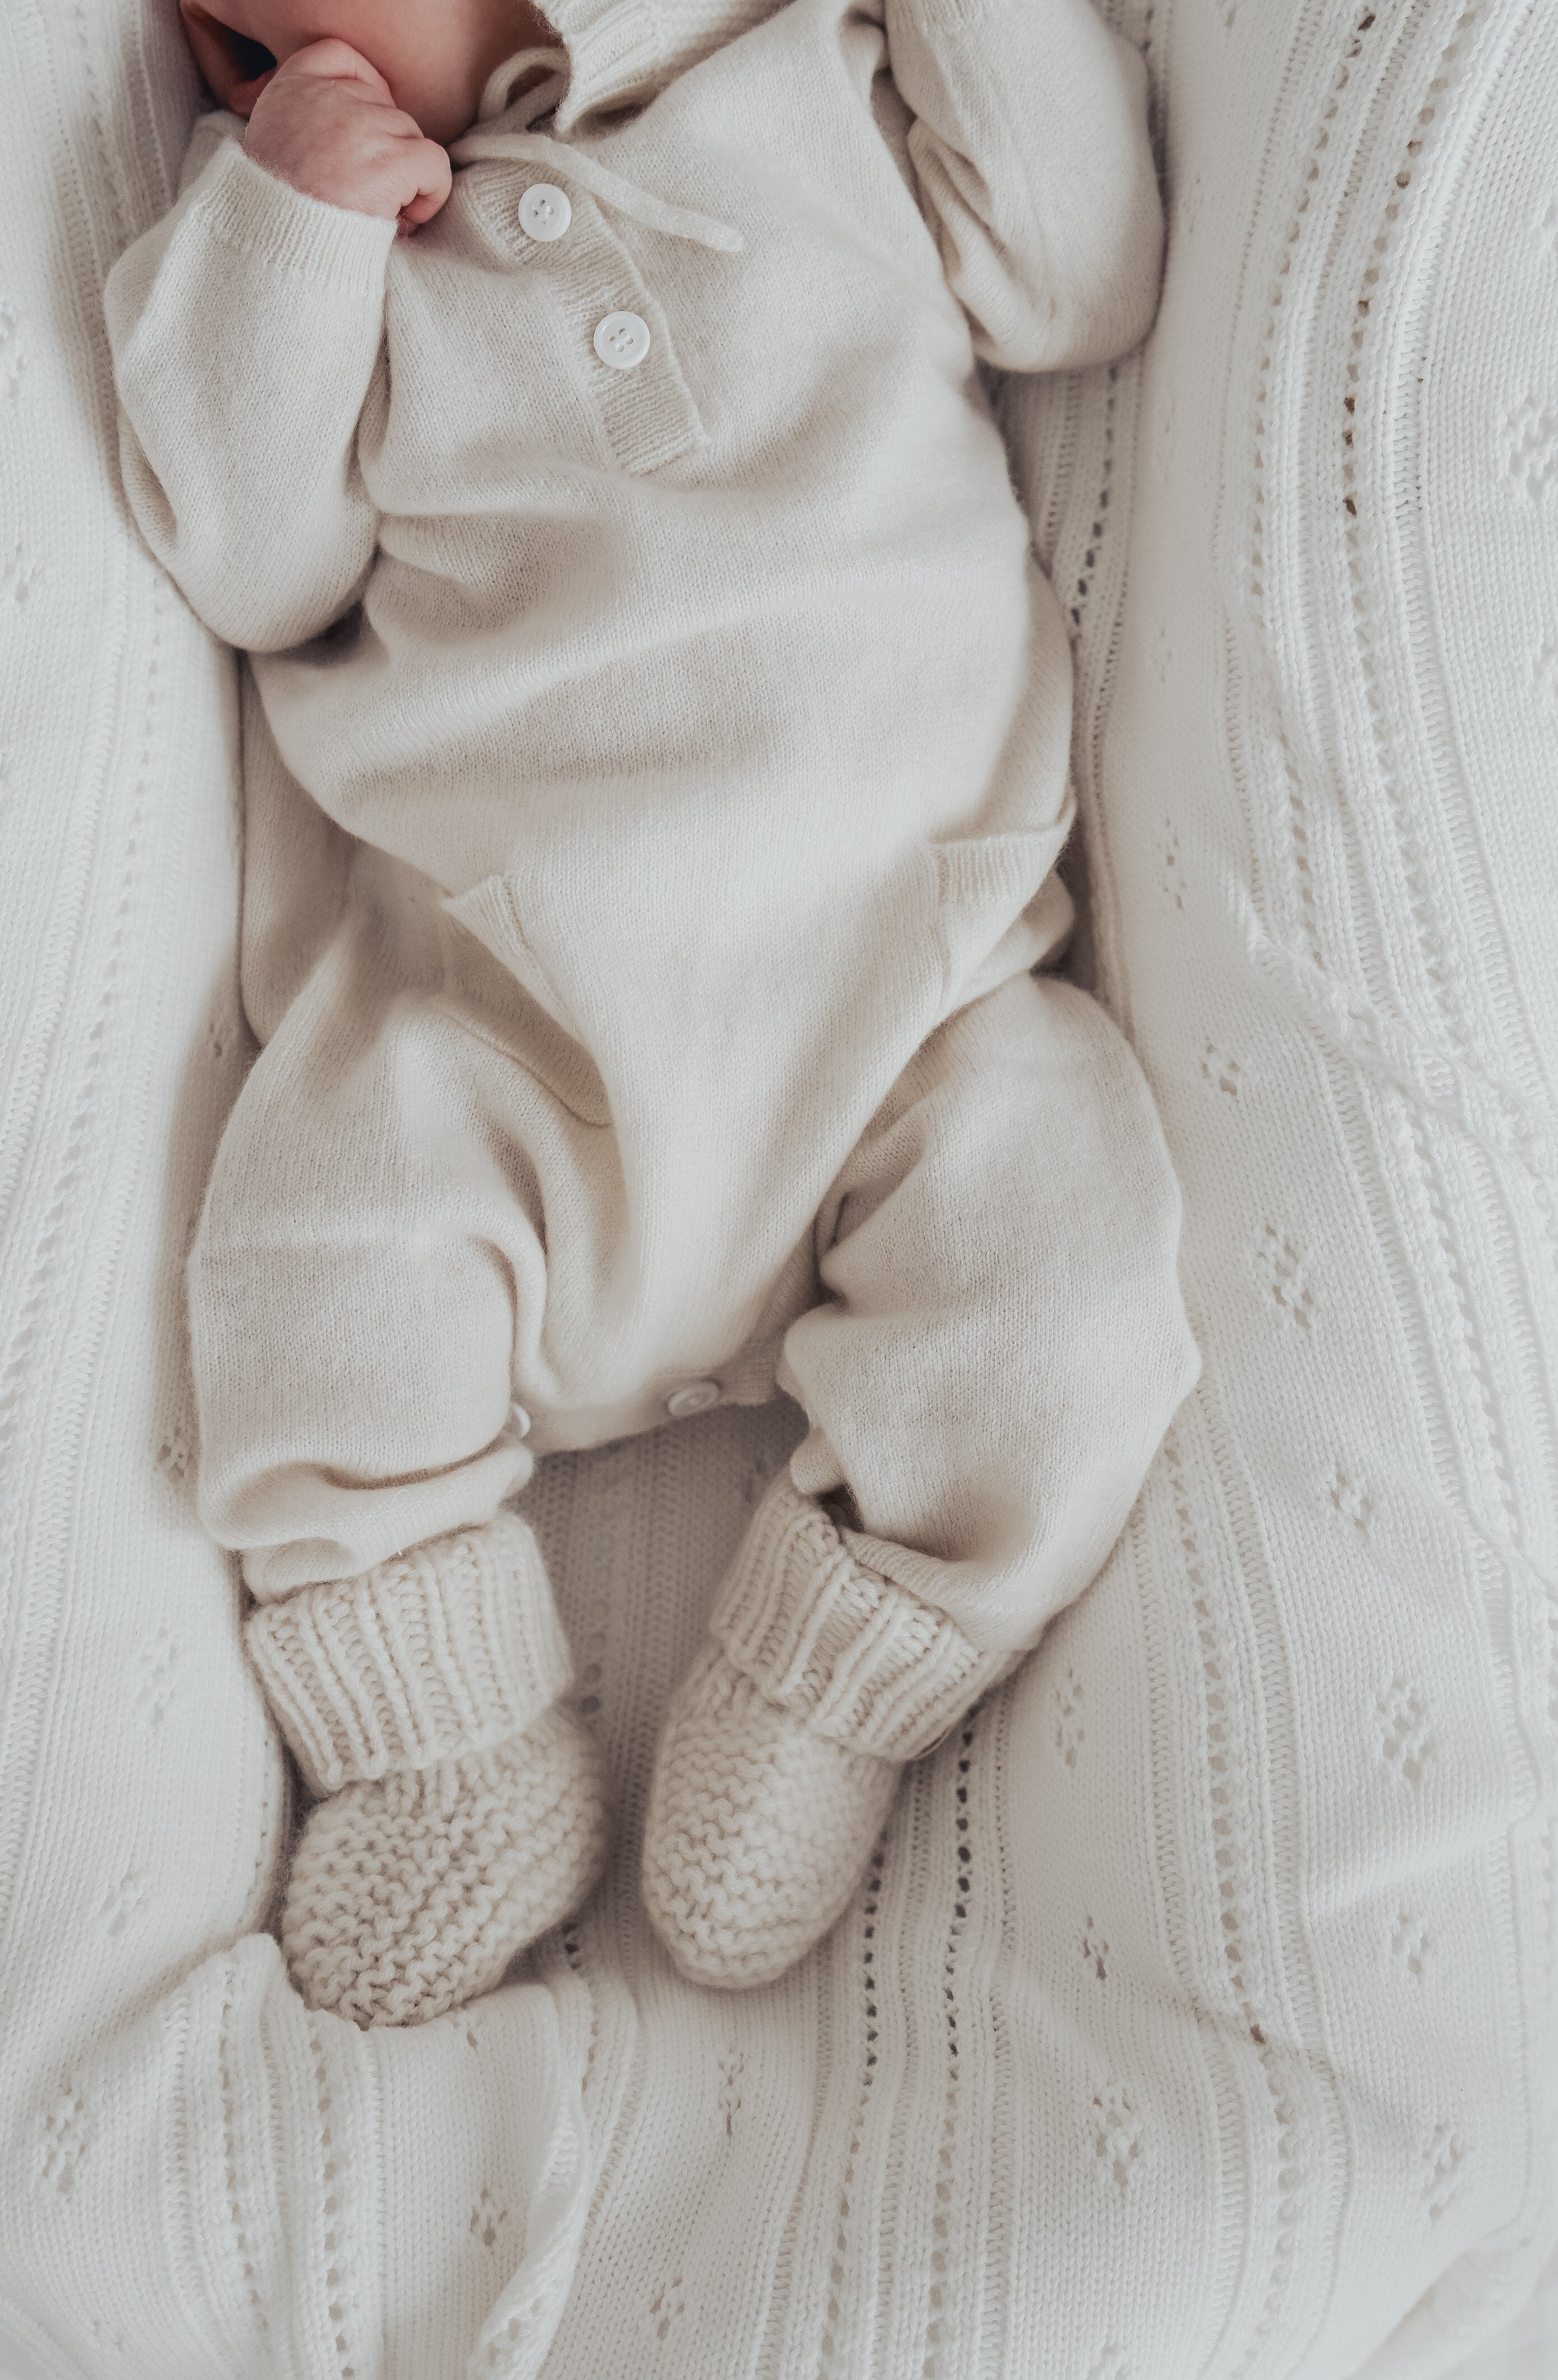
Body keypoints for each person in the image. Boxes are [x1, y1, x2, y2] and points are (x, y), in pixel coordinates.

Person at [102, 0, 1200, 2026]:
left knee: (1066, 1268)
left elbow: (1086, 272)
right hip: (509, 1024)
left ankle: (825, 1681)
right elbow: (251, 563)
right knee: (316, 1247)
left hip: (915, 989)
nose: (212, 32)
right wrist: (290, 223)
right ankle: (449, 1750)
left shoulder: (804, 73)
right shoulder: (289, 230)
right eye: (212, 33)